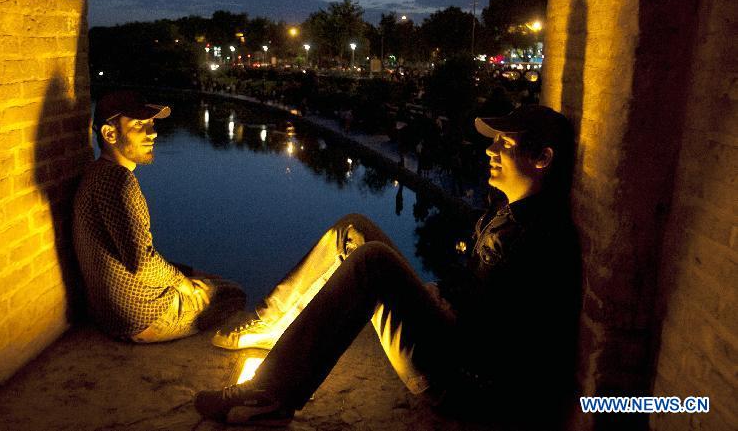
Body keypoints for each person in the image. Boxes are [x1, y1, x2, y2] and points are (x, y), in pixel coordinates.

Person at [195, 104, 580, 426]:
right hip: (453, 343)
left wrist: (443, 302)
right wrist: (443, 295)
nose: (489, 151)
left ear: (542, 158)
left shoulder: (539, 237)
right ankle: (272, 322)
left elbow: (498, 341)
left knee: (373, 263)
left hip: (459, 382)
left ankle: (271, 395)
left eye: (504, 144)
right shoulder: (509, 214)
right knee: (354, 230)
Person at [73, 90, 245, 343]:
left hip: (108, 311)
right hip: (141, 317)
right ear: (110, 134)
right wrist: (182, 283)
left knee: (200, 276)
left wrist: (184, 274)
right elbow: (142, 263)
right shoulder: (119, 181)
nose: (152, 133)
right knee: (233, 294)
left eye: (151, 124)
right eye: (139, 125)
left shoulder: (98, 173)